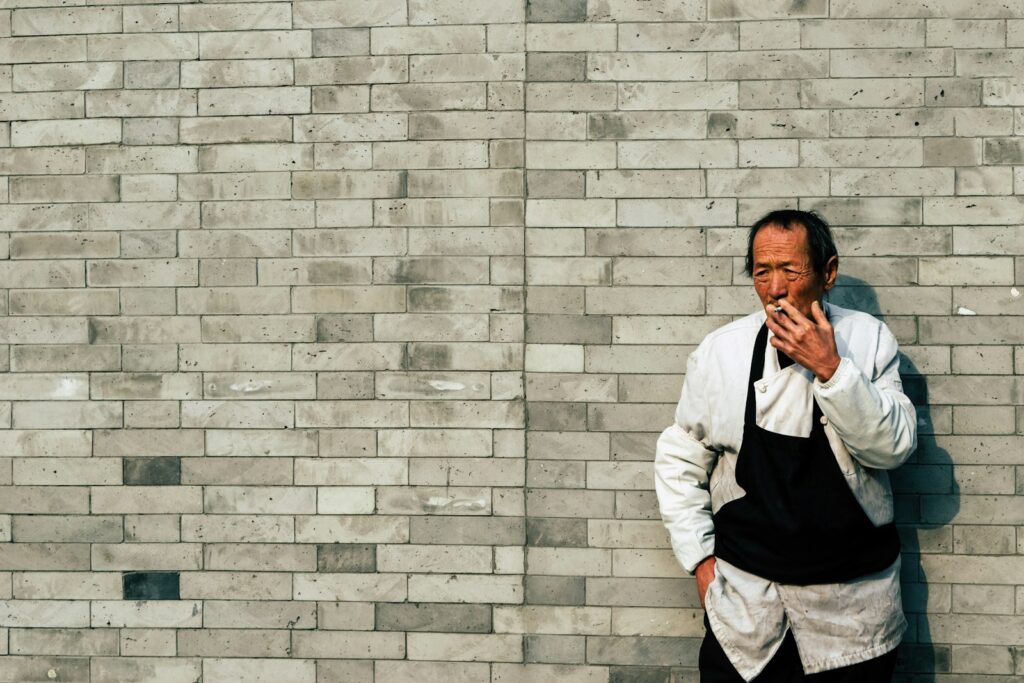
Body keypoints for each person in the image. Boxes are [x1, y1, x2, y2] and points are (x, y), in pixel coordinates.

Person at [654, 209, 917, 682]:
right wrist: (700, 560)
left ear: (828, 273)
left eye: (790, 271)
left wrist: (832, 370)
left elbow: (892, 448)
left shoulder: (868, 340)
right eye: (762, 272)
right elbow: (680, 456)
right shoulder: (722, 351)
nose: (775, 288)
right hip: (749, 608)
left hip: (853, 613)